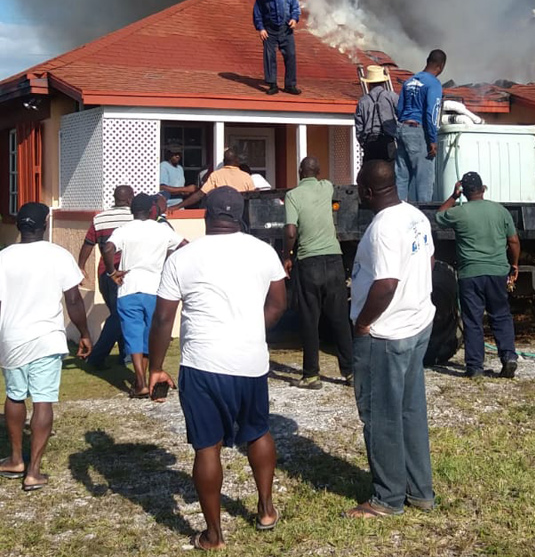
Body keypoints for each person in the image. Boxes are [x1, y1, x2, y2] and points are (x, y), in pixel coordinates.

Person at [149, 186, 287, 550]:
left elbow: (164, 318)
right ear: (241, 215)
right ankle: (266, 509)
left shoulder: (182, 257)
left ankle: (214, 535)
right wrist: (253, 330)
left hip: (202, 364)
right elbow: (278, 303)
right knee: (258, 431)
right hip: (251, 361)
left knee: (207, 447)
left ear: (207, 215)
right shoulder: (264, 252)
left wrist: (156, 367)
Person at [344, 160, 436, 518]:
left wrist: (363, 323)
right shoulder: (415, 215)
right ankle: (420, 491)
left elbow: (385, 284)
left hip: (385, 333)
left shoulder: (382, 228)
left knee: (381, 415)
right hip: (416, 324)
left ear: (367, 191)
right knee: (410, 410)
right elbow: (427, 260)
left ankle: (388, 498)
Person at [0, 203, 92, 491]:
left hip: (12, 337)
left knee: (15, 396)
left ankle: (16, 459)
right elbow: (74, 300)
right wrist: (84, 333)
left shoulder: (3, 257)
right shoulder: (58, 255)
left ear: (18, 225)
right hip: (47, 337)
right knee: (42, 399)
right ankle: (34, 471)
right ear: (44, 224)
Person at [435, 172, 520, 379]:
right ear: (483, 189)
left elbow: (439, 215)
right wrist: (515, 264)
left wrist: (454, 196)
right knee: (500, 315)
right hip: (497, 271)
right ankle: (508, 356)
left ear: (464, 190)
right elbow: (514, 241)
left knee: (472, 319)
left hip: (470, 274)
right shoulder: (500, 211)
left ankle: (475, 367)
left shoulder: (460, 213)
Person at [102, 193, 186, 398]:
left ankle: (139, 382)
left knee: (133, 336)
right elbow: (185, 245)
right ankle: (152, 376)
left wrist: (112, 272)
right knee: (152, 335)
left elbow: (108, 248)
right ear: (152, 210)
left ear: (132, 210)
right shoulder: (161, 229)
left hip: (128, 287)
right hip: (156, 288)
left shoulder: (123, 230)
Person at [283, 157, 353, 389]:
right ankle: (350, 372)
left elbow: (291, 230)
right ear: (319, 172)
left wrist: (287, 254)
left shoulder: (293, 195)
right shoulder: (326, 187)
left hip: (308, 260)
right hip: (333, 259)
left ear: (299, 171)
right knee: (340, 319)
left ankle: (311, 375)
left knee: (309, 320)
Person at [77, 184, 134, 370]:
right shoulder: (135, 218)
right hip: (124, 273)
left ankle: (125, 354)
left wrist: (81, 266)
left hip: (104, 273)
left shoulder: (99, 218)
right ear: (130, 199)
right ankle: (97, 356)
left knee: (117, 314)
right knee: (119, 315)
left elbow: (88, 243)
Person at [395, 49, 446, 203]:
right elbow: (432, 112)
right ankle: (424, 216)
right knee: (424, 177)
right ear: (441, 66)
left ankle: (398, 210)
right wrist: (432, 139)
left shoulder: (409, 81)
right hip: (419, 130)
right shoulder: (434, 83)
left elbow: (399, 109)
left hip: (402, 128)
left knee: (402, 176)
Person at [253, 0, 301, 96]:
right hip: (269, 30)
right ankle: (272, 84)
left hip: (286, 29)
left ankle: (290, 85)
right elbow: (257, 13)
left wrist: (294, 19)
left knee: (290, 55)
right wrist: (261, 29)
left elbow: (295, 8)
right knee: (269, 56)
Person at [170, 148, 256, 210]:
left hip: (220, 214)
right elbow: (253, 199)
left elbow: (200, 194)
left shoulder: (216, 175)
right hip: (240, 214)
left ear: (224, 161)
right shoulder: (246, 176)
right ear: (237, 161)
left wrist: (177, 206)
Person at [354, 66, 399, 162]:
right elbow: (402, 116)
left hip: (370, 144)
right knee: (394, 174)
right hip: (388, 143)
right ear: (383, 82)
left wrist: (364, 143)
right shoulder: (392, 97)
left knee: (366, 175)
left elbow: (359, 129)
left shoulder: (363, 101)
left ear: (369, 83)